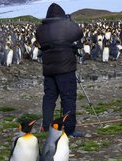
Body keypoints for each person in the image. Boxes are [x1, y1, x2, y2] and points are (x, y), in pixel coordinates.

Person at [35, 3, 84, 137]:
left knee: (49, 98)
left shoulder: (40, 29)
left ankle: (46, 126)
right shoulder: (65, 26)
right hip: (66, 69)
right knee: (68, 98)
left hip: (49, 70)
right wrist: (69, 21)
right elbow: (79, 33)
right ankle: (69, 129)